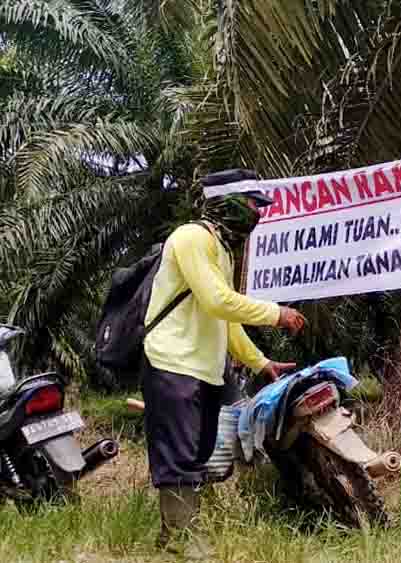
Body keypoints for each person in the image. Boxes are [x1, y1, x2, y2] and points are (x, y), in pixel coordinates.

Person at [142, 169, 306, 555]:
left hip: (205, 369)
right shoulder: (191, 237)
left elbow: (224, 320)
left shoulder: (221, 248)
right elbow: (218, 301)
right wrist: (276, 313)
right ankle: (185, 539)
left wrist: (260, 362)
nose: (257, 213)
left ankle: (171, 536)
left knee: (198, 454)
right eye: (252, 203)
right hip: (172, 361)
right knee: (180, 455)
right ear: (226, 202)